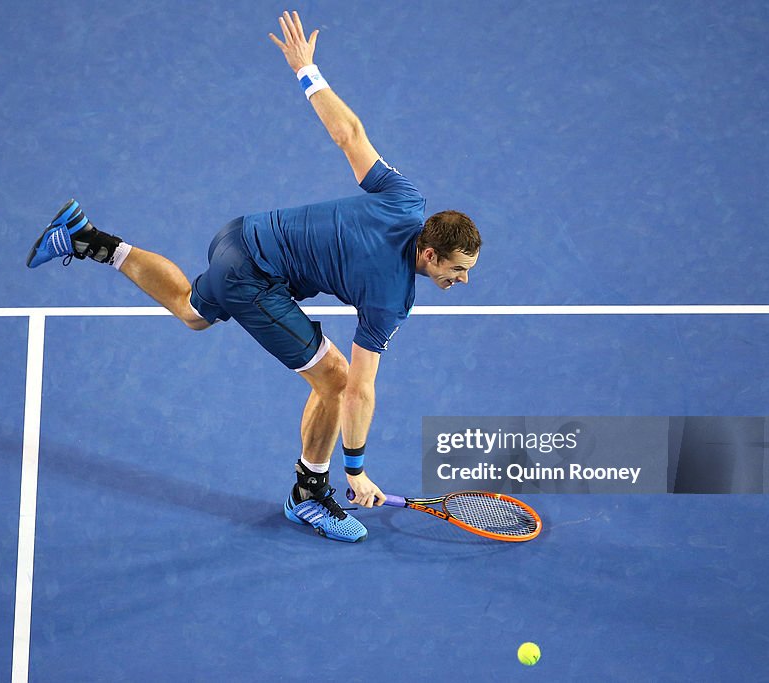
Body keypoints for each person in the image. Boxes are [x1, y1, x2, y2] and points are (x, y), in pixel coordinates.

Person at [26, 10, 481, 543]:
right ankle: (309, 495)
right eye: (457, 269)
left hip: (241, 233)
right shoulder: (389, 298)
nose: (464, 280)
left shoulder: (407, 199)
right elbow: (358, 391)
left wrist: (307, 71)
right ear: (428, 254)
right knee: (331, 377)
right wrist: (355, 469)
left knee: (194, 312)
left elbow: (349, 134)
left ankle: (87, 240)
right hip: (255, 277)